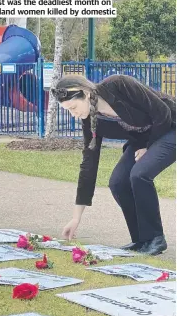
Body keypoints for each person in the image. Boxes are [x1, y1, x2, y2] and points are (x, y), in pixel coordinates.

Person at [52, 74, 176, 256]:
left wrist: (148, 148)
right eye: (68, 111)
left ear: (86, 93)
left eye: (73, 107)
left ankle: (155, 238)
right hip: (143, 140)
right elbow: (88, 165)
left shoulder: (119, 85)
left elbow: (162, 112)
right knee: (118, 182)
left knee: (139, 174)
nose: (74, 114)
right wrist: (76, 217)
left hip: (169, 127)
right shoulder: (90, 122)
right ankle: (141, 239)